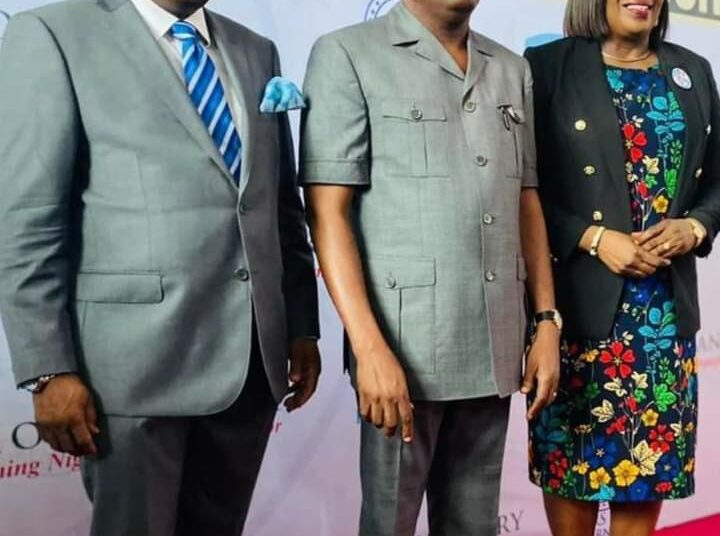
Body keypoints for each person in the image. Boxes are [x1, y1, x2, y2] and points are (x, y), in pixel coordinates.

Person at [0, 0, 321, 534]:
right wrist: (49, 368)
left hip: (250, 364)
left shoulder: (254, 50)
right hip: (129, 373)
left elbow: (279, 205)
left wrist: (300, 325)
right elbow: (30, 219)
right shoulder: (52, 34)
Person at [299, 1, 561, 534]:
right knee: (388, 523)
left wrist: (547, 322)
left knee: (474, 525)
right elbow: (328, 211)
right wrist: (368, 348)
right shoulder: (348, 54)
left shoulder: (512, 68)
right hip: (403, 351)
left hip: (496, 346)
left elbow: (525, 200)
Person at [525, 0, 720, 535]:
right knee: (573, 474)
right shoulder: (546, 67)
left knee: (648, 479)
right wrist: (592, 237)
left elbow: (718, 179)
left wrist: (696, 226)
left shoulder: (692, 70)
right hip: (575, 321)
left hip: (663, 323)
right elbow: (523, 190)